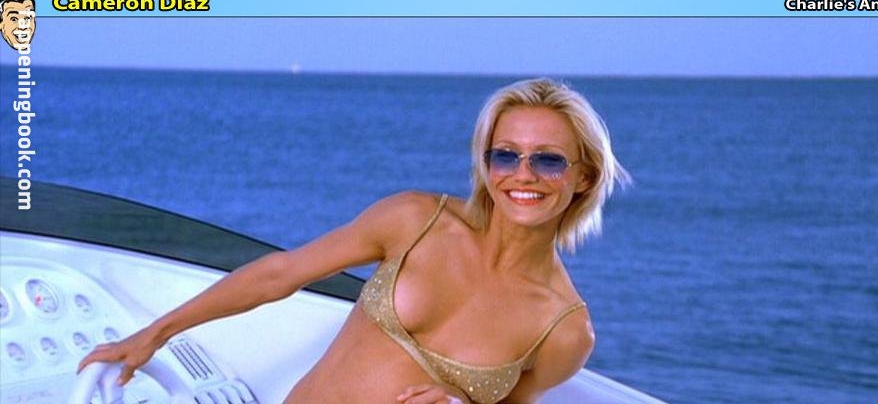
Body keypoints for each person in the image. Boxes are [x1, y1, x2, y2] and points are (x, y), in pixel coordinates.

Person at [78, 78, 631, 403]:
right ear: (486, 164)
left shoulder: (563, 329)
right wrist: (154, 334)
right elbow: (278, 275)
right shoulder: (417, 221)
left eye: (548, 160)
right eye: (505, 155)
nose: (522, 175)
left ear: (584, 176)